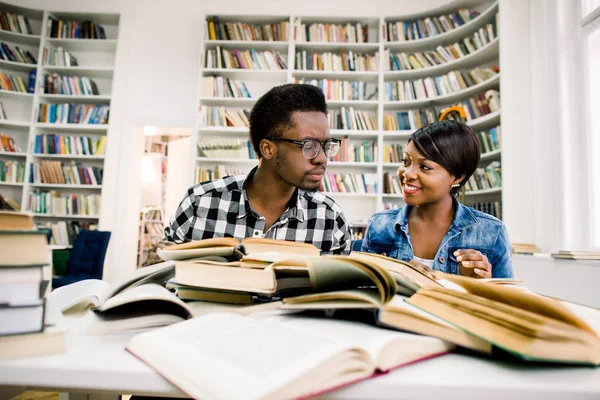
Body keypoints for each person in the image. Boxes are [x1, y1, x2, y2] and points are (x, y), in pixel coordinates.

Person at [153, 83, 351, 260]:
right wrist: (158, 261)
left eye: (326, 145)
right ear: (268, 149)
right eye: (309, 145)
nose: (322, 158)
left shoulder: (330, 219)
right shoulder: (200, 202)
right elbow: (160, 276)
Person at [360, 120, 513, 278]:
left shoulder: (492, 232)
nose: (407, 173)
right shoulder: (378, 225)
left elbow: (509, 301)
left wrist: (480, 288)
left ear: (457, 177)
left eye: (425, 167)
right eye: (406, 162)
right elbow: (361, 292)